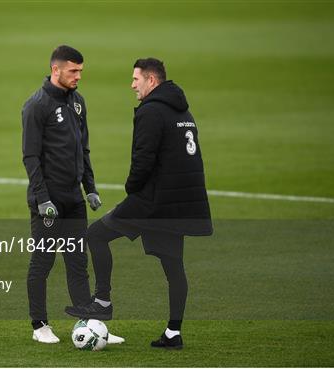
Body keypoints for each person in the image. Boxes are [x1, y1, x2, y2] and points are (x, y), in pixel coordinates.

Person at [65, 58, 212, 349]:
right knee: (174, 267)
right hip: (179, 203)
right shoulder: (183, 111)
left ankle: (103, 301)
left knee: (95, 235)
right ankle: (173, 333)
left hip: (153, 202)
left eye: (136, 79)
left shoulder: (151, 111)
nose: (132, 85)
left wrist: (131, 189)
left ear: (151, 81)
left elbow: (143, 159)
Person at [22, 45, 123, 344]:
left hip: (74, 200)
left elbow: (84, 149)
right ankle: (39, 325)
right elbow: (30, 157)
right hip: (48, 202)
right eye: (73, 71)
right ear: (56, 70)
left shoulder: (78, 102)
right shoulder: (36, 106)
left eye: (81, 70)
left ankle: (89, 323)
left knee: (78, 261)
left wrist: (90, 188)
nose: (79, 76)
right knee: (43, 261)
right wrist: (42, 198)